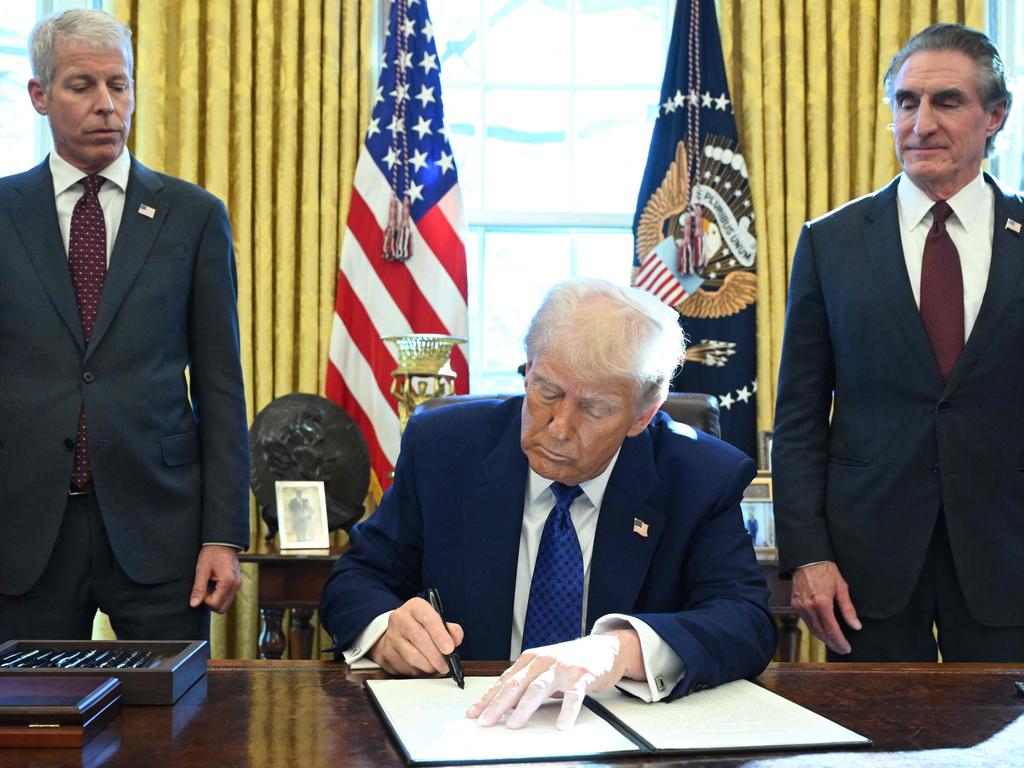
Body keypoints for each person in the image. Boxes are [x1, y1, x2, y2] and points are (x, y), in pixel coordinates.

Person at [321, 278, 775, 729]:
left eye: (595, 409)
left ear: (644, 413)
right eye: (547, 391)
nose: (559, 427)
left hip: (616, 731)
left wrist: (620, 649)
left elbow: (745, 623)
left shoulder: (700, 476)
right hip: (465, 724)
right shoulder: (444, 448)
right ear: (529, 367)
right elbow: (358, 577)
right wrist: (384, 630)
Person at [772, 23, 1022, 661]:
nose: (922, 123)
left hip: (1008, 557)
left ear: (996, 115)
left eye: (947, 102)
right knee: (875, 749)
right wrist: (807, 554)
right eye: (906, 103)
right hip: (865, 569)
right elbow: (799, 419)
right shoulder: (831, 242)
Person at [0, 9, 250, 642]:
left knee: (175, 730)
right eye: (83, 86)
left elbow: (221, 388)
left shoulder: (192, 217)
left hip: (161, 531)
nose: (107, 104)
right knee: (30, 735)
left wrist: (223, 532)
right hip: (22, 532)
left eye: (120, 84)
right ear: (39, 95)